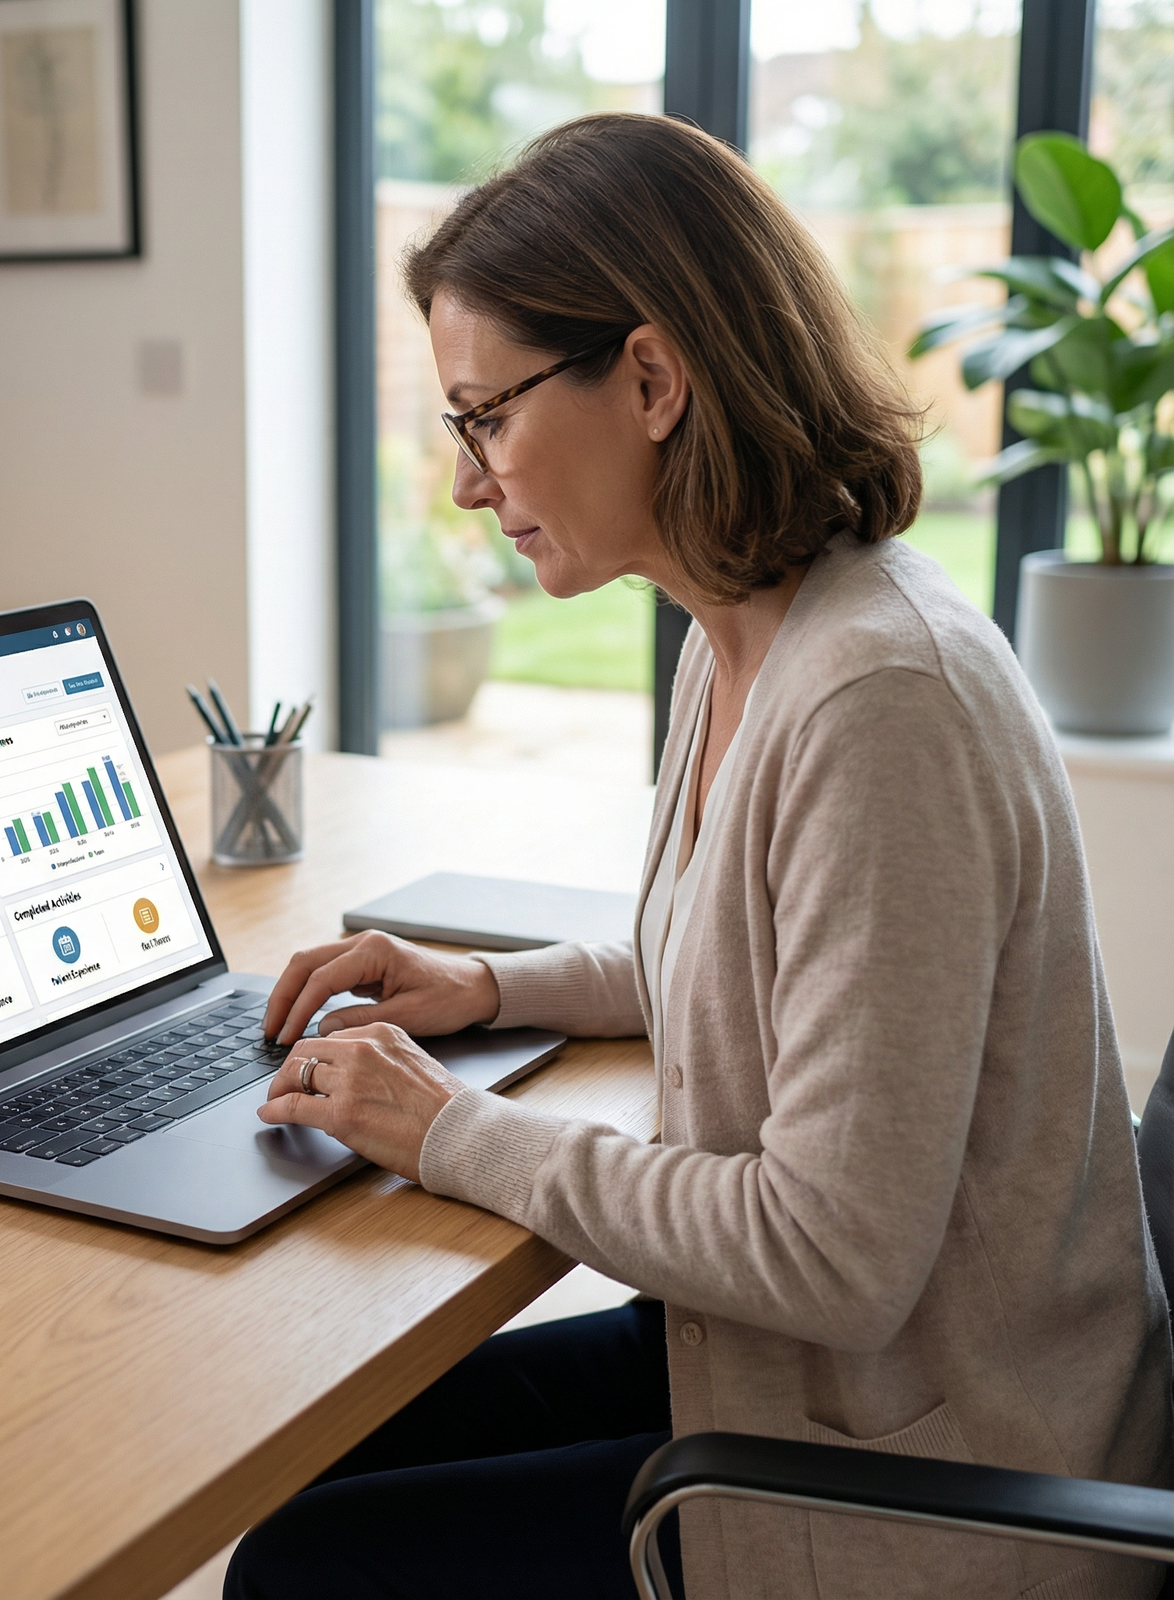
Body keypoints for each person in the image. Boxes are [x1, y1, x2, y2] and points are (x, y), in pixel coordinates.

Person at [223, 114, 1172, 1600]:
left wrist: (452, 1134)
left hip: (943, 1473)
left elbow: (831, 1252)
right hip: (823, 1384)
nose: (469, 481)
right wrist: (488, 986)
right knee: (317, 1450)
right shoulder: (743, 627)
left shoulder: (878, 701)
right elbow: (746, 955)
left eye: (484, 417)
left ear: (653, 379)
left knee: (306, 1568)